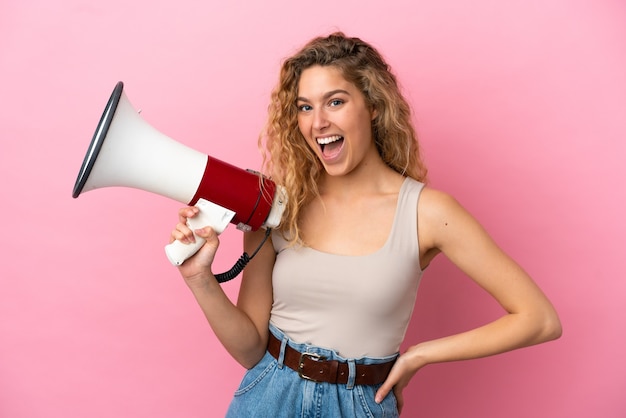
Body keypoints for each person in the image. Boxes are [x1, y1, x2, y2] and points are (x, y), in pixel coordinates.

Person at [169, 32, 562, 417]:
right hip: (268, 395)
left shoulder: (427, 212)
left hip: (359, 405)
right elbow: (250, 349)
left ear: (372, 106)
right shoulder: (279, 203)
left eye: (335, 102)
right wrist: (198, 277)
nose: (318, 122)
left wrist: (419, 356)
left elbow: (539, 319)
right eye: (305, 107)